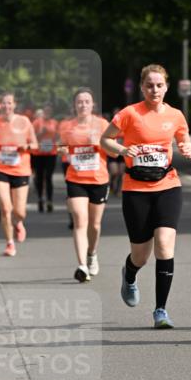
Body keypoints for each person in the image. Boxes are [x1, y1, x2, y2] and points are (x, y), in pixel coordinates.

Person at [100, 64, 191, 329]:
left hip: (168, 185)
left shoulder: (175, 115)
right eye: (150, 85)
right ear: (142, 87)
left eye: (159, 85)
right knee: (141, 255)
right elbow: (104, 140)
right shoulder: (129, 114)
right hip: (136, 189)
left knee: (165, 244)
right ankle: (129, 274)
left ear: (166, 87)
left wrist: (186, 147)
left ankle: (160, 311)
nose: (155, 90)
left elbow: (184, 139)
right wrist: (121, 149)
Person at [58, 88, 109, 282]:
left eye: (87, 101)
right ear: (74, 105)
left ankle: (92, 253)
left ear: (92, 104)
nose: (83, 105)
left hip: (98, 179)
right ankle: (81, 266)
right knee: (80, 220)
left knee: (94, 225)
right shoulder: (67, 126)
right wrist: (63, 152)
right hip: (76, 178)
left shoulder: (102, 124)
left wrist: (99, 143)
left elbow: (113, 153)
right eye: (79, 102)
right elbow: (60, 146)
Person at [0, 92, 37, 256]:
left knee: (19, 211)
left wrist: (26, 147)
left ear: (14, 105)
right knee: (5, 208)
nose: (6, 106)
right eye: (3, 103)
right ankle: (9, 243)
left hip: (20, 169)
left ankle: (19, 222)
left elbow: (35, 144)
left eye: (9, 103)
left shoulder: (24, 121)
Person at [31, 103, 58, 212]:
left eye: (49, 111)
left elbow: (58, 136)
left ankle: (49, 200)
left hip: (51, 153)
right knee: (39, 177)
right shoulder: (37, 123)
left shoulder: (55, 123)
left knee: (48, 177)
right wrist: (40, 133)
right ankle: (40, 198)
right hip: (38, 153)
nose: (47, 113)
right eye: (45, 111)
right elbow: (31, 137)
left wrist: (55, 141)